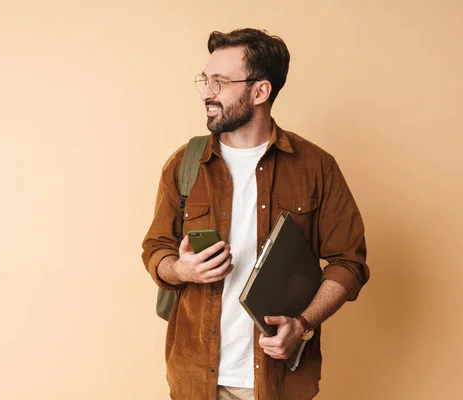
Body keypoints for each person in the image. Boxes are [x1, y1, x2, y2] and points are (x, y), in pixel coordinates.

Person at [142, 28, 370, 400]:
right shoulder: (184, 165)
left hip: (279, 383)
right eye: (205, 80)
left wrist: (303, 324)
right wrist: (180, 269)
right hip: (195, 380)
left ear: (260, 91)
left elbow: (349, 263)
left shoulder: (316, 167)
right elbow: (156, 248)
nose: (206, 93)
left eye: (219, 82)